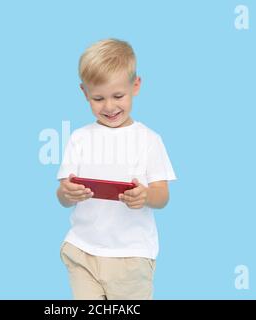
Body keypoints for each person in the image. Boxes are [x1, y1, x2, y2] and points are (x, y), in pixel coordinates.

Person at [56, 38, 177, 300]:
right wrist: (67, 193)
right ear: (84, 93)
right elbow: (62, 194)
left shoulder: (149, 140)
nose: (109, 107)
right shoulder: (79, 137)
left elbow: (162, 195)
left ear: (135, 86)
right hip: (83, 252)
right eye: (98, 98)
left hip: (131, 257)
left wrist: (146, 195)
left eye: (118, 96)